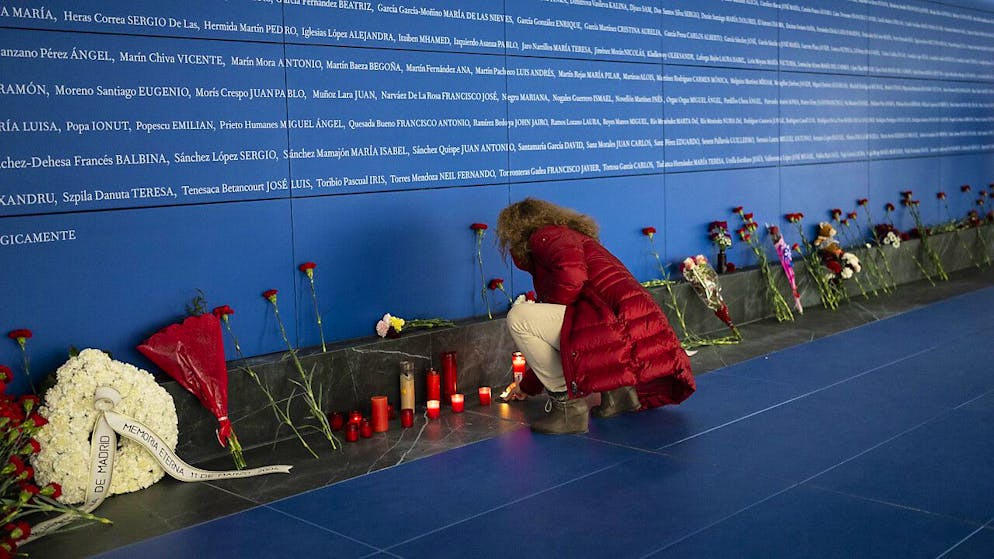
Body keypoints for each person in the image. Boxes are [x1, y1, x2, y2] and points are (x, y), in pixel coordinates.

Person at [497, 198, 695, 434]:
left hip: (615, 323)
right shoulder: (568, 236)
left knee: (520, 316)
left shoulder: (545, 236)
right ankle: (620, 394)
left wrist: (559, 311)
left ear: (517, 229)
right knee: (569, 322)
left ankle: (568, 409)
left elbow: (573, 277)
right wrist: (527, 386)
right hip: (624, 322)